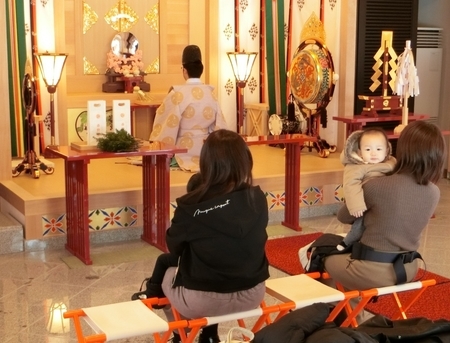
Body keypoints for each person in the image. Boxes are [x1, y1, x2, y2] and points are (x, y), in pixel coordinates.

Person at [139, 129, 270, 343]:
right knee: (220, 263)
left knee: (169, 274)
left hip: (202, 301)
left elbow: (174, 247)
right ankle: (209, 335)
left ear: (206, 162)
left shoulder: (191, 205)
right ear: (246, 160)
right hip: (253, 294)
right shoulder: (257, 198)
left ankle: (179, 335)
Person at [324, 120, 446, 291]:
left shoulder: (377, 185)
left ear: (403, 149)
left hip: (371, 270)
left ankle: (336, 314)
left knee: (321, 256)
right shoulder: (434, 192)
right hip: (408, 268)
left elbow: (343, 216)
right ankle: (351, 314)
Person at [149, 45, 228, 172]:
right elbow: (219, 126)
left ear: (184, 70)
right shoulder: (210, 94)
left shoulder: (177, 94)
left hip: (182, 150)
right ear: (201, 70)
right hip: (205, 153)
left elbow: (166, 123)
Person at [336, 127, 396, 251]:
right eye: (368, 149)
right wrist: (356, 205)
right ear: (359, 152)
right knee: (360, 225)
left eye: (378, 149)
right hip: (363, 203)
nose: (373, 153)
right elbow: (351, 184)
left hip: (384, 202)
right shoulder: (356, 166)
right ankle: (347, 242)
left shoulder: (391, 162)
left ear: (386, 151)